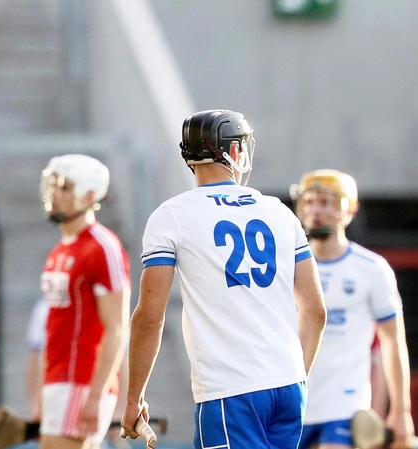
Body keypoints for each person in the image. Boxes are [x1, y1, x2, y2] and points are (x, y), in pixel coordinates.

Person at [121, 110, 327, 449]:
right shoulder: (280, 211)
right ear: (235, 152)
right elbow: (316, 311)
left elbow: (150, 317)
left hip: (232, 390)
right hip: (289, 385)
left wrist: (133, 399)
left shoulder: (171, 216)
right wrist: (294, 378)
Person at [290, 169, 415, 449]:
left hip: (344, 406)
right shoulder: (284, 266)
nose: (315, 210)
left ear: (350, 209)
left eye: (326, 202)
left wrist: (401, 411)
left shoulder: (371, 269)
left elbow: (393, 343)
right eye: (309, 202)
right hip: (293, 405)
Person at [38, 154, 132, 449]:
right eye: (53, 185)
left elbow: (116, 328)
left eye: (65, 187)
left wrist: (95, 396)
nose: (54, 193)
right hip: (59, 378)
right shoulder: (59, 250)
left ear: (89, 196)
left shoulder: (102, 246)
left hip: (81, 380)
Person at [24, 296, 131, 449]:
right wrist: (37, 402)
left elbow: (121, 357)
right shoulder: (44, 306)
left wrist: (117, 408)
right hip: (57, 392)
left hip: (79, 391)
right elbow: (38, 358)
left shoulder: (105, 300)